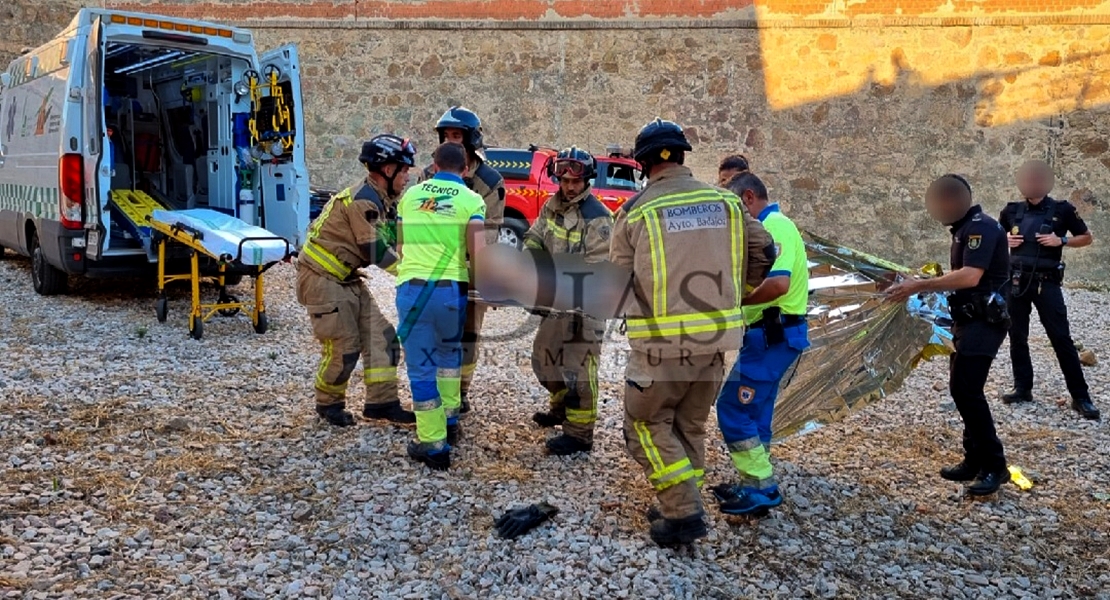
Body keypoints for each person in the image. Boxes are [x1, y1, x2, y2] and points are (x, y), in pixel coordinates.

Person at [610, 118, 775, 546]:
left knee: (644, 423)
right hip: (717, 341)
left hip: (660, 346)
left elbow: (614, 281)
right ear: (683, 155)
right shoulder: (726, 201)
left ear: (643, 163)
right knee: (690, 424)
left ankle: (682, 511)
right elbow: (765, 249)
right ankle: (681, 499)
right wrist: (738, 291)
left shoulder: (635, 210)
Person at [887, 174, 1011, 496]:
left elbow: (971, 277)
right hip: (968, 321)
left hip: (985, 322)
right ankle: (974, 459)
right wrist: (919, 280)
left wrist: (918, 285)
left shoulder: (980, 228)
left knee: (966, 390)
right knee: (963, 388)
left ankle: (995, 466)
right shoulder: (964, 229)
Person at [296, 134, 416, 427]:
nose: (408, 176)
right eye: (404, 170)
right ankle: (328, 403)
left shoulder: (383, 199)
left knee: (383, 337)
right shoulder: (364, 201)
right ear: (388, 170)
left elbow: (397, 242)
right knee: (344, 346)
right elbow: (375, 251)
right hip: (322, 279)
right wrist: (415, 274)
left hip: (347, 279)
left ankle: (381, 403)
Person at [711, 172, 810, 516]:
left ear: (749, 198)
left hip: (772, 336)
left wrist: (733, 301)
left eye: (736, 211)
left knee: (732, 408)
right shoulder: (778, 225)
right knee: (756, 412)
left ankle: (762, 485)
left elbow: (779, 284)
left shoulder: (775, 227)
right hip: (774, 336)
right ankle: (753, 483)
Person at [395, 142, 487, 470]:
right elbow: (478, 252)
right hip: (451, 293)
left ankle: (433, 446)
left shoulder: (410, 196)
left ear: (433, 165)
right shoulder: (472, 200)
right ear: (465, 169)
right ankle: (450, 423)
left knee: (421, 367)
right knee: (450, 357)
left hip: (413, 291)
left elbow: (401, 243)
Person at [524, 147, 614, 456]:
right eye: (563, 180)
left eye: (575, 182)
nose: (569, 187)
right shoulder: (552, 208)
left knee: (578, 368)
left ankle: (579, 435)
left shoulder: (598, 217)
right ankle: (560, 407)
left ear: (587, 181)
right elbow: (534, 238)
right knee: (543, 358)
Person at [417, 106, 506, 416]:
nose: (451, 141)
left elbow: (489, 234)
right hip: (434, 271)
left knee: (467, 336)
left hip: (470, 272)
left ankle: (461, 392)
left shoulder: (489, 181)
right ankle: (431, 395)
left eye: (457, 136)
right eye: (447, 136)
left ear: (471, 141)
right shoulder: (428, 175)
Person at [999, 160, 1099, 420]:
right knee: (1017, 337)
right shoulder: (1011, 211)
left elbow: (1086, 237)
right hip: (1017, 282)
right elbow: (993, 240)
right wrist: (1003, 240)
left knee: (1061, 339)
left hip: (1047, 282)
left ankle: (1080, 397)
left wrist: (1061, 239)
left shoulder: (1062, 210)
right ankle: (1022, 388)